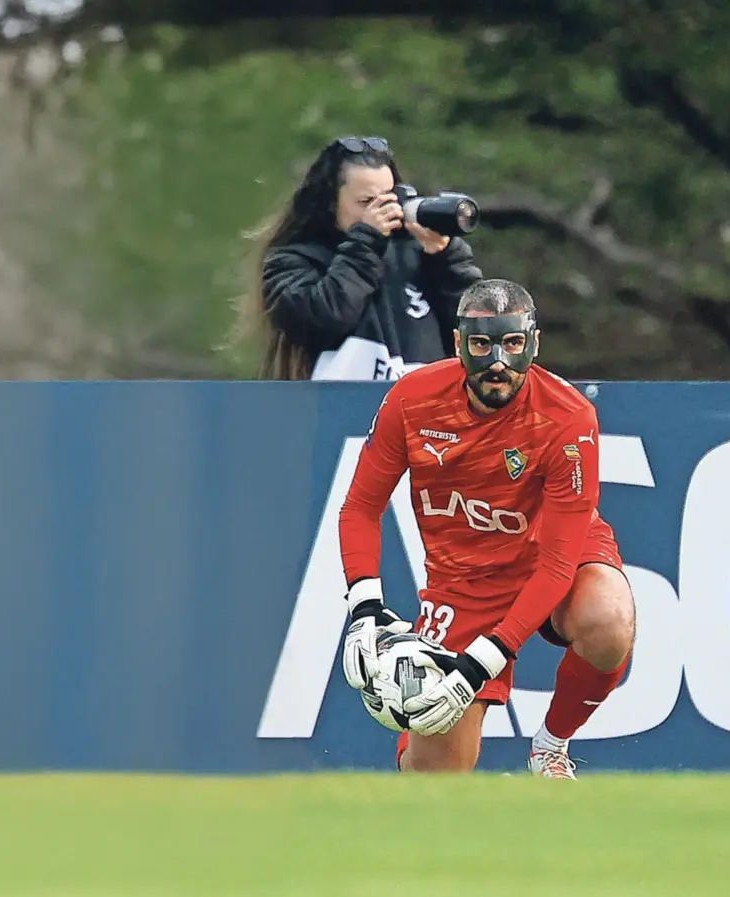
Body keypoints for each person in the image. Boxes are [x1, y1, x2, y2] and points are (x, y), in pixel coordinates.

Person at [336, 278, 636, 777]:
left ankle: (550, 747)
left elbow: (559, 562)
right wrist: (364, 607)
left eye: (513, 344)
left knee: (607, 619)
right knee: (434, 782)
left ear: (533, 344)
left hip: (549, 555)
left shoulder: (567, 417)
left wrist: (483, 662)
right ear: (458, 345)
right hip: (465, 581)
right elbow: (360, 507)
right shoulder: (412, 399)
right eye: (481, 345)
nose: (498, 362)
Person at [234, 135, 482, 381]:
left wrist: (447, 261)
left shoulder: (415, 254)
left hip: (421, 410)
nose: (379, 211)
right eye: (366, 201)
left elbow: (475, 330)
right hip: (335, 409)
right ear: (331, 203)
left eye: (387, 199)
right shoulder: (293, 259)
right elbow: (324, 318)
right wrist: (366, 242)